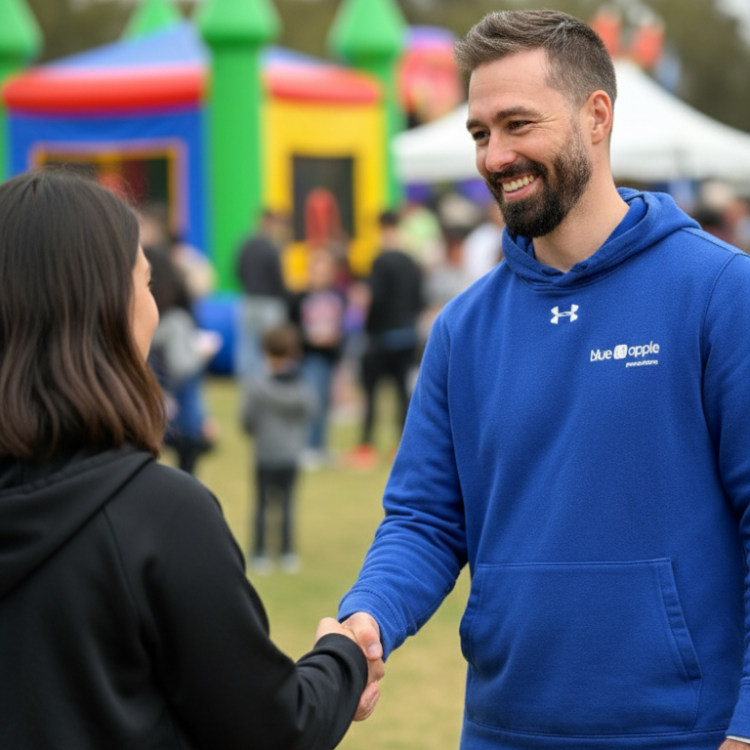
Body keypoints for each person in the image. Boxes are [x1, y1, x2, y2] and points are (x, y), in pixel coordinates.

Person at [339, 10, 750, 750]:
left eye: (518, 124)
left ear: (597, 117)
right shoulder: (463, 329)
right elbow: (426, 521)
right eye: (479, 133)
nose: (495, 155)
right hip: (502, 730)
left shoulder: (720, 292)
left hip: (685, 734)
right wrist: (368, 614)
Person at [0, 168, 382, 750]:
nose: (152, 308)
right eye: (145, 283)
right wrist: (344, 660)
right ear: (103, 308)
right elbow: (272, 729)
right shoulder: (158, 516)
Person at [349, 210, 424, 470]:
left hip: (382, 336)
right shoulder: (411, 260)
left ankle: (366, 446)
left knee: (370, 393)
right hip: (407, 335)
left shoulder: (380, 260)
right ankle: (400, 447)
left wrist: (368, 329)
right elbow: (419, 299)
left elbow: (375, 299)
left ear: (382, 228)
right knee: (403, 393)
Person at [241, 323, 317, 574]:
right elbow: (311, 411)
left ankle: (260, 552)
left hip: (265, 453)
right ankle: (286, 552)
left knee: (262, 505)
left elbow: (247, 419)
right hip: (291, 454)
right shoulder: (301, 385)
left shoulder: (257, 384)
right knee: (287, 505)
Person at [147, 246, 222, 474]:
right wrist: (202, 353)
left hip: (151, 409)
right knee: (187, 472)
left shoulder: (143, 321)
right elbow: (181, 367)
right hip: (180, 416)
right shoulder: (177, 321)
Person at [289, 248, 348, 470]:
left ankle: (319, 445)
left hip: (328, 357)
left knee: (324, 403)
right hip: (308, 356)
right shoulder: (299, 297)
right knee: (310, 402)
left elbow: (343, 325)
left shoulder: (337, 296)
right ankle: (308, 446)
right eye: (316, 270)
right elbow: (292, 328)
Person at [235, 209, 290, 378]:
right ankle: (270, 381)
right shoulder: (273, 248)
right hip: (270, 304)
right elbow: (279, 279)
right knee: (271, 347)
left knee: (247, 348)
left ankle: (249, 383)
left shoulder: (246, 245)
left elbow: (238, 271)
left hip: (249, 301)